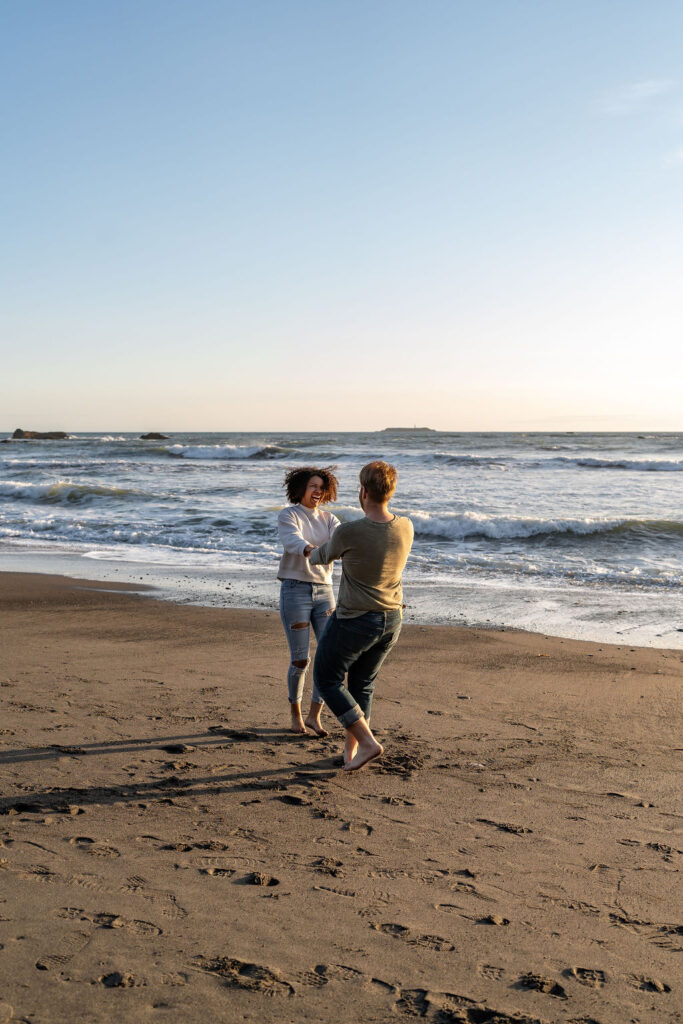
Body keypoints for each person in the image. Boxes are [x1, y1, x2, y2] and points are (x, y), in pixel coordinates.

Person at [308, 460, 413, 771]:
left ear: (363, 492)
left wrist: (308, 549)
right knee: (362, 683)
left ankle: (367, 743)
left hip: (356, 620)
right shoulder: (406, 526)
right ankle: (352, 751)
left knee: (326, 678)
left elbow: (319, 557)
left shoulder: (349, 531)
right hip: (392, 619)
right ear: (390, 492)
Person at [277, 466, 340, 736]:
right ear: (301, 488)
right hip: (296, 590)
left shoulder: (329, 519)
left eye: (322, 487)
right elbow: (294, 542)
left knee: (329, 658)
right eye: (313, 486)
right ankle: (296, 715)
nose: (318, 491)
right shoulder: (289, 515)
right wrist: (315, 552)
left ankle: (315, 716)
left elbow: (342, 543)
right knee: (301, 659)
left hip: (325, 592)